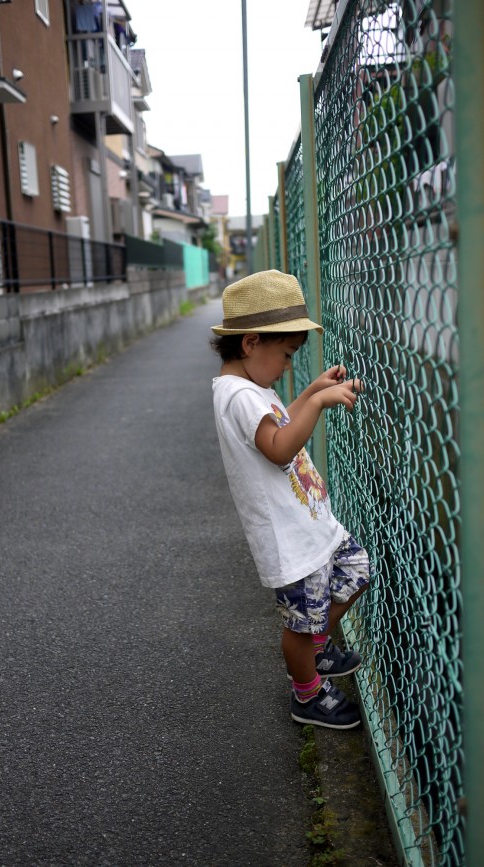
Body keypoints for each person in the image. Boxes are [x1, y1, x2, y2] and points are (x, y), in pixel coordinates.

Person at [210, 269, 370, 729]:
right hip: (290, 541)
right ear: (250, 343)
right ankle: (307, 694)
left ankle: (315, 650)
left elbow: (281, 422)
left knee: (357, 570)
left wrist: (312, 391)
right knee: (301, 623)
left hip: (308, 525)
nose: (287, 365)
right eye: (285, 355)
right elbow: (280, 448)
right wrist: (319, 405)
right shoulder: (238, 396)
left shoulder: (253, 387)